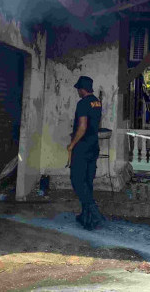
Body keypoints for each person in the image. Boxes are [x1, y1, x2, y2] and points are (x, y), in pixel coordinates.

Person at [67, 76, 104, 230]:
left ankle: (94, 215)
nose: (77, 92)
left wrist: (71, 145)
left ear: (82, 89)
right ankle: (85, 217)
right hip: (93, 145)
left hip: (82, 147)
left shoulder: (82, 103)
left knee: (77, 180)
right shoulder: (97, 101)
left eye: (78, 89)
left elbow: (82, 127)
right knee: (87, 181)